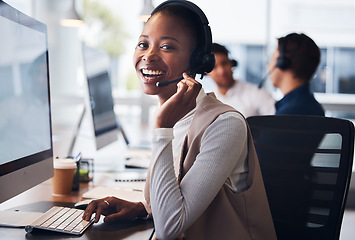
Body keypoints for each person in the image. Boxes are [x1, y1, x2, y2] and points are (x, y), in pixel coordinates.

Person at [83, 1, 276, 239]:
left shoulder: (225, 124)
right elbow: (174, 201)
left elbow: (170, 229)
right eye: (143, 44)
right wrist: (143, 209)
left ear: (197, 62)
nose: (149, 55)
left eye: (166, 47)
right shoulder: (177, 117)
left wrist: (162, 128)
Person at [207, 43, 275, 118]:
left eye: (224, 63)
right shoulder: (209, 102)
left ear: (232, 64)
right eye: (214, 67)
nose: (222, 71)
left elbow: (276, 124)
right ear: (206, 72)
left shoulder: (257, 93)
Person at [268, 32, 325, 116]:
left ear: (283, 62)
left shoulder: (291, 113)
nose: (269, 66)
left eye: (273, 58)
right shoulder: (307, 105)